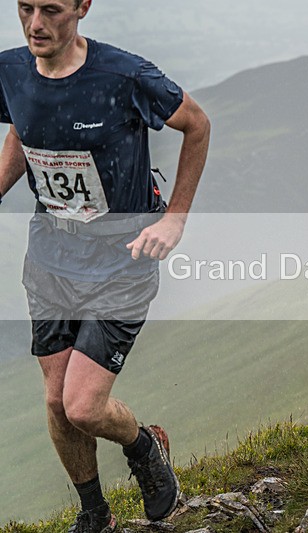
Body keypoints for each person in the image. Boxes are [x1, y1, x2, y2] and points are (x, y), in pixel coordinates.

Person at [0, 1, 210, 531]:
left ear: (82, 7)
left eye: (50, 9)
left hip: (122, 261)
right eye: (25, 8)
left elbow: (198, 125)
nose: (35, 24)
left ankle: (144, 448)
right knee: (55, 401)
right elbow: (23, 128)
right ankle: (95, 514)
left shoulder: (124, 75)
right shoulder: (10, 69)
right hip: (50, 258)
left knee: (83, 407)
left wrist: (175, 220)